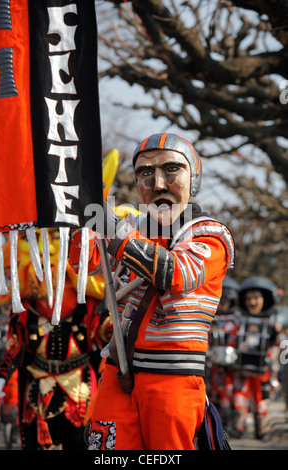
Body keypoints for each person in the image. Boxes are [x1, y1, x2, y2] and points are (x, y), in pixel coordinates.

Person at [69, 132, 235, 450]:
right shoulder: (129, 225)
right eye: (145, 173)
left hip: (172, 379)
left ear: (194, 177)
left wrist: (115, 234)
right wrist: (77, 213)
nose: (157, 183)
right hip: (117, 373)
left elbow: (177, 273)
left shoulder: (211, 234)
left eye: (171, 169)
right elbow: (82, 265)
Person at [0, 230, 111, 450]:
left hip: (80, 384)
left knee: (80, 441)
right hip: (37, 387)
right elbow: (16, 345)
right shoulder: (25, 308)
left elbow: (106, 332)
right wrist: (1, 376)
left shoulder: (89, 304)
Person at [232, 276, 280, 439]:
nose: (251, 302)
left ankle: (261, 428)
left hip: (262, 369)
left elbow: (278, 346)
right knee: (239, 398)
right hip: (241, 368)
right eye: (248, 298)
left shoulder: (273, 321)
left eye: (256, 298)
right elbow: (232, 340)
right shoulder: (238, 320)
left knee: (261, 400)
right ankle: (238, 427)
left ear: (264, 299)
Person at [207, 276, 240, 430]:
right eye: (219, 301)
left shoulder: (237, 320)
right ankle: (219, 421)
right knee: (216, 392)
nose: (222, 305)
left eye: (225, 301)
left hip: (234, 364)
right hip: (214, 363)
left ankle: (237, 421)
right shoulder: (210, 319)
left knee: (234, 391)